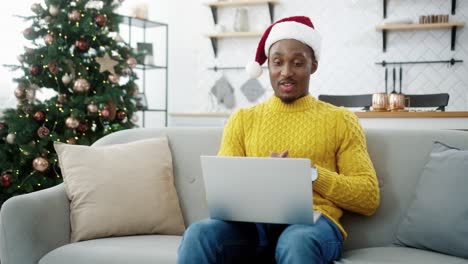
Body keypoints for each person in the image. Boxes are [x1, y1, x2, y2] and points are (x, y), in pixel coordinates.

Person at [177, 16, 380, 264]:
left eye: (297, 63)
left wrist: (311, 175)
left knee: (295, 242)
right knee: (198, 234)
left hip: (313, 225)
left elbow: (368, 198)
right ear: (268, 67)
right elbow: (221, 194)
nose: (286, 72)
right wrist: (263, 175)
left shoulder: (340, 120)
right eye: (277, 62)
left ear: (312, 66)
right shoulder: (242, 119)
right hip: (251, 228)